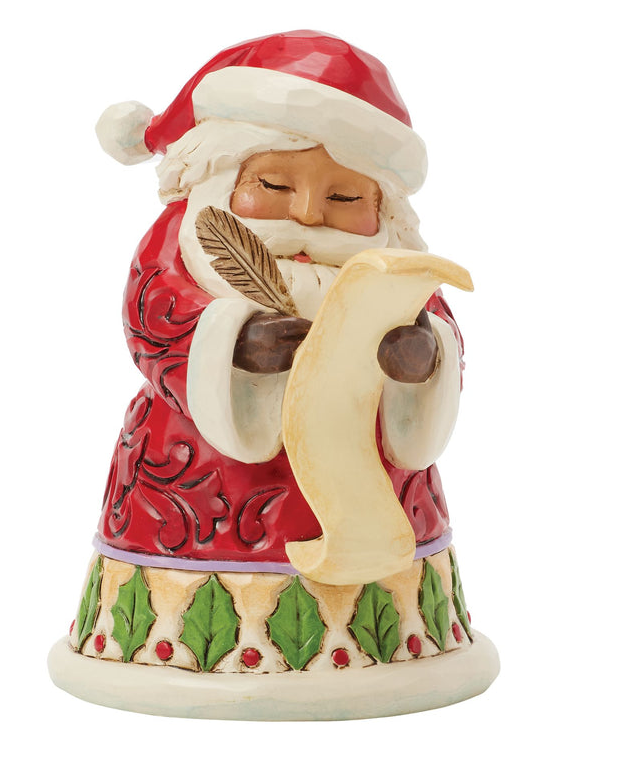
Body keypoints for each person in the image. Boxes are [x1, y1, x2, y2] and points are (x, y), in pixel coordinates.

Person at [93, 31, 464, 570]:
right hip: (199, 495)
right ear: (224, 176)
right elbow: (152, 315)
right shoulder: (185, 238)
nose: (309, 214)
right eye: (272, 185)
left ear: (383, 208)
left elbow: (439, 331)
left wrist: (424, 358)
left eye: (344, 196)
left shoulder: (398, 258)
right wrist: (233, 341)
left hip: (376, 496)